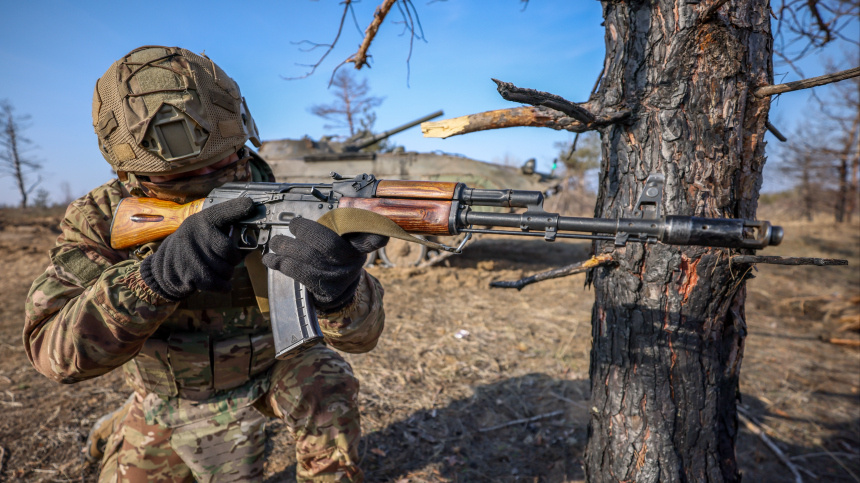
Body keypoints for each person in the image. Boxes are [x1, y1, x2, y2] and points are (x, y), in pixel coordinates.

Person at [23, 45, 388, 482]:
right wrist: (152, 281)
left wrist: (341, 293)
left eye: (220, 167)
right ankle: (124, 425)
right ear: (129, 175)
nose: (203, 188)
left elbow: (363, 337)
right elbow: (52, 354)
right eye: (175, 181)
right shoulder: (101, 217)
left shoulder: (286, 195)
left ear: (243, 140)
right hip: (171, 394)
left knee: (328, 381)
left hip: (272, 370)